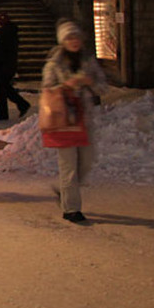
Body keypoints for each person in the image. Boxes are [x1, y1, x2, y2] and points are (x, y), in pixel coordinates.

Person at [42, 20, 108, 223]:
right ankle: (71, 209)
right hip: (63, 120)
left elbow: (103, 87)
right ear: (63, 41)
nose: (74, 41)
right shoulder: (55, 63)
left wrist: (91, 82)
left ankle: (65, 192)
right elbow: (47, 89)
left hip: (84, 119)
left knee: (86, 163)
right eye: (69, 37)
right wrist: (67, 85)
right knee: (69, 166)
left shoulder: (88, 61)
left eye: (76, 37)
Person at [0, 13, 31, 121]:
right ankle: (22, 104)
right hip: (9, 66)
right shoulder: (12, 33)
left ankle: (3, 112)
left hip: (3, 67)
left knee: (0, 90)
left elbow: (0, 52)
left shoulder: (4, 34)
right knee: (6, 88)